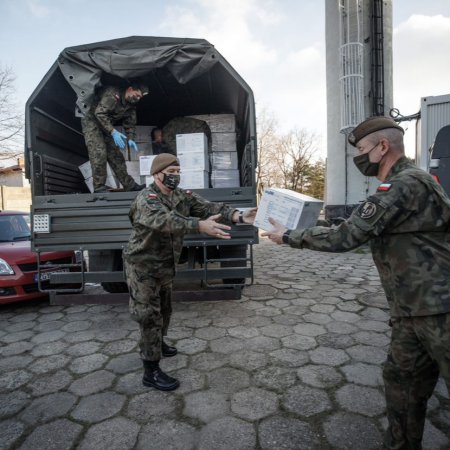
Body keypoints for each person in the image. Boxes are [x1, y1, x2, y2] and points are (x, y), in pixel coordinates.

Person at [263, 116, 450, 450]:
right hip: (411, 310)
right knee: (402, 382)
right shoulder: (404, 183)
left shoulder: (405, 184)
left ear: (382, 147)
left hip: (439, 308)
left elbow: (348, 235)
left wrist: (289, 235)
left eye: (362, 149)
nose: (358, 157)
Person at [123, 153, 257, 391]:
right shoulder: (146, 198)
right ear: (156, 174)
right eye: (170, 172)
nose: (175, 176)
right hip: (141, 265)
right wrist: (198, 225)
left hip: (165, 264)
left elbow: (207, 207)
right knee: (148, 315)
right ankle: (150, 370)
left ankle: (159, 342)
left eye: (178, 171)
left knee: (164, 309)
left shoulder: (181, 195)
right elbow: (164, 220)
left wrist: (238, 215)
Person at [81, 83, 149, 193]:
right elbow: (100, 113)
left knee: (116, 156)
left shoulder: (130, 105)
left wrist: (130, 138)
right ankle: (99, 187)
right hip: (92, 122)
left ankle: (130, 185)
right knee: (99, 153)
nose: (137, 98)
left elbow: (130, 124)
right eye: (137, 95)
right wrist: (113, 132)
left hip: (106, 127)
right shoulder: (113, 94)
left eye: (140, 97)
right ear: (130, 89)